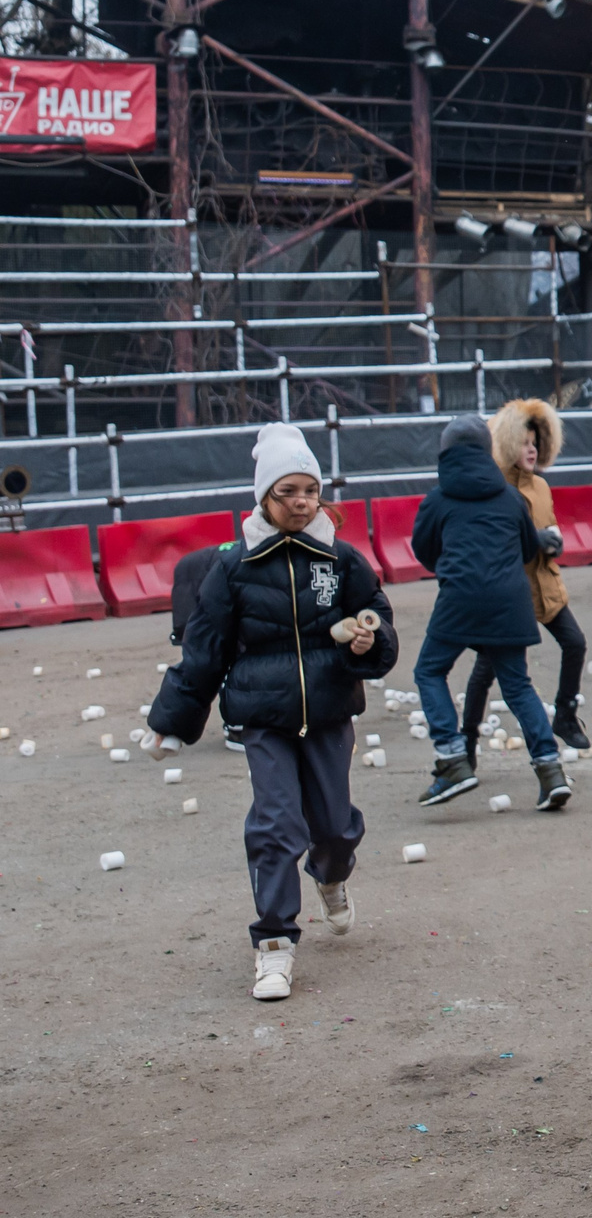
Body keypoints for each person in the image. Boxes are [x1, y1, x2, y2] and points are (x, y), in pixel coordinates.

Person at [148, 422, 398, 1002]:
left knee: (334, 826)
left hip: (330, 710)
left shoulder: (340, 559)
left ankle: (332, 875)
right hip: (261, 718)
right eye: (287, 492)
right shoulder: (233, 566)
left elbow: (377, 616)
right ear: (264, 496)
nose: (301, 502)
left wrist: (370, 640)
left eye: (309, 490)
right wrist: (171, 721)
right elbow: (205, 647)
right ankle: (274, 946)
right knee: (276, 826)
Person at [411, 413, 565, 808]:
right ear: (488, 452)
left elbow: (423, 549)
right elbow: (528, 547)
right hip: (509, 601)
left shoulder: (437, 499)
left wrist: (453, 567)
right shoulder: (510, 497)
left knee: (430, 670)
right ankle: (551, 772)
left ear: (445, 454)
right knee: (517, 685)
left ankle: (451, 757)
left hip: (459, 599)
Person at [461, 398, 592, 764]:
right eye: (523, 442)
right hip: (508, 595)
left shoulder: (540, 486)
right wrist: (534, 541)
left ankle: (565, 714)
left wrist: (553, 541)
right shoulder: (493, 488)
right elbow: (490, 545)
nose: (531, 449)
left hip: (545, 586)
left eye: (536, 441)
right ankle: (466, 742)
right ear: (505, 445)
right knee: (485, 670)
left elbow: (547, 526)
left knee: (575, 643)